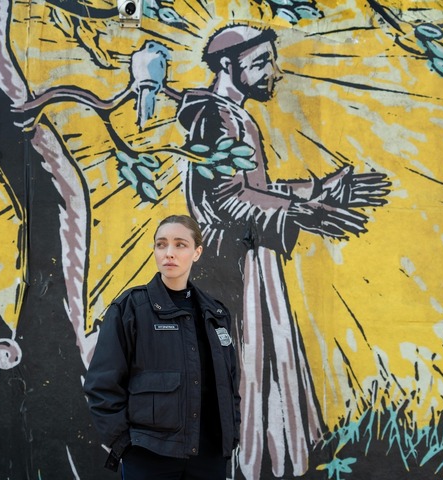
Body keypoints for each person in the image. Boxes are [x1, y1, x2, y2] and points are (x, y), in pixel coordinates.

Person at [175, 24, 391, 478]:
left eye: (270, 61)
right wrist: (301, 211)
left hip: (249, 254)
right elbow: (226, 199)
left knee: (259, 357)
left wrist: (323, 190)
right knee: (246, 359)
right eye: (260, 63)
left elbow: (252, 189)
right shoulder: (217, 115)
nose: (273, 72)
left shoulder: (231, 114)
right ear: (229, 65)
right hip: (233, 263)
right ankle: (250, 463)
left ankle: (266, 460)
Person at [83, 214, 241, 479]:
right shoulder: (130, 308)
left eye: (180, 244)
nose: (169, 253)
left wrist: (231, 434)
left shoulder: (215, 313)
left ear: (197, 252)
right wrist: (125, 445)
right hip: (149, 456)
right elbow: (101, 385)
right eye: (161, 244)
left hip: (209, 456)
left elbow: (230, 383)